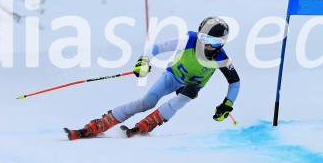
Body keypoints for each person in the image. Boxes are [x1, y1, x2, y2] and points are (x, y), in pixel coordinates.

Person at [65, 17, 241, 139]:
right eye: (204, 38)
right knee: (146, 102)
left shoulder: (221, 58)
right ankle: (99, 125)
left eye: (215, 42)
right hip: (172, 77)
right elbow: (155, 48)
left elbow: (234, 81)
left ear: (223, 42)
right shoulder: (189, 40)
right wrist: (144, 60)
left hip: (190, 86)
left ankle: (148, 124)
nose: (208, 45)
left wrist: (227, 103)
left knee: (189, 92)